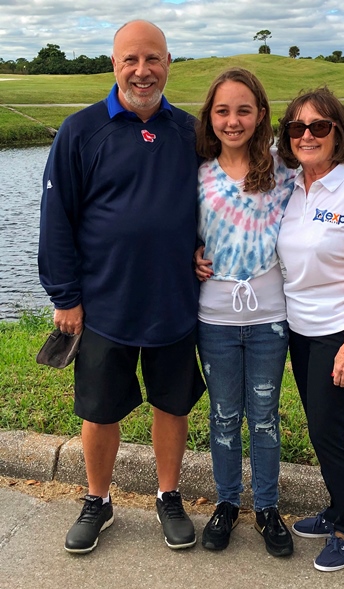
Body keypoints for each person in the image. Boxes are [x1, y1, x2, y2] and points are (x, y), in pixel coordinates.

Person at [38, 20, 205, 554]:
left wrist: (209, 248)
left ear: (168, 64)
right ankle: (98, 500)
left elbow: (218, 200)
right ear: (114, 65)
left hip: (174, 299)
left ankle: (168, 495)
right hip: (104, 302)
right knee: (100, 407)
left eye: (152, 59)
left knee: (171, 404)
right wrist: (65, 296)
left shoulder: (190, 132)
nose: (142, 70)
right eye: (131, 59)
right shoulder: (81, 130)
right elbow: (56, 218)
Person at [276, 87, 344, 572]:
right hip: (299, 330)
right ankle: (336, 509)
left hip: (342, 331)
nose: (307, 135)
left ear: (338, 134)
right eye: (297, 127)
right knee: (321, 427)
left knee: (328, 430)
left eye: (319, 126)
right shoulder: (289, 188)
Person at [194, 68, 295, 557]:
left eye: (243, 110)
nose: (233, 121)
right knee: (223, 415)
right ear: (210, 117)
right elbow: (176, 231)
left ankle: (269, 508)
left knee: (264, 417)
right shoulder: (197, 174)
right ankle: (227, 503)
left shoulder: (285, 172)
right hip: (213, 315)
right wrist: (189, 254)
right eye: (222, 111)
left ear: (260, 115)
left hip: (270, 317)